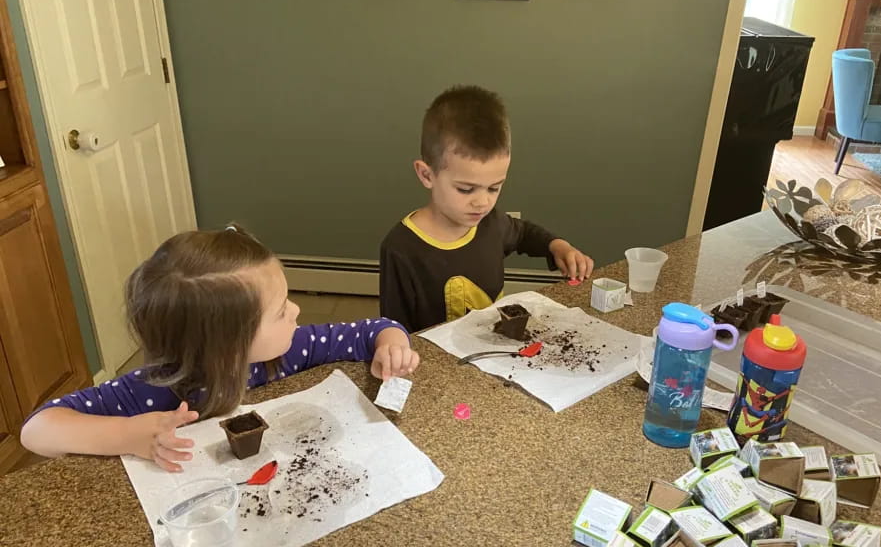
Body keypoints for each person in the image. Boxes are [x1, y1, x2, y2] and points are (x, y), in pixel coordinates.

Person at [20, 225, 419, 472]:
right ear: (228, 345)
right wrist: (127, 434)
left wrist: (392, 345)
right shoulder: (152, 390)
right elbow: (37, 430)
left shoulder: (292, 348)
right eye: (281, 311)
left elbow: (371, 330)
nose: (297, 311)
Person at [379, 85, 594, 332]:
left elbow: (523, 233)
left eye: (494, 188)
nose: (483, 203)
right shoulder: (401, 249)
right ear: (427, 175)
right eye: (466, 189)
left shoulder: (490, 222)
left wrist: (558, 246)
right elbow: (392, 330)